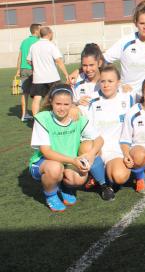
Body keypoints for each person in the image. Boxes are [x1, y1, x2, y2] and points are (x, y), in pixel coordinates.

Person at [28, 84, 103, 212]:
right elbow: (46, 152)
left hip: (68, 161)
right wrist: (74, 161)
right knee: (55, 168)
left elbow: (99, 139)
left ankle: (65, 186)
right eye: (58, 104)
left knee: (79, 178)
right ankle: (51, 195)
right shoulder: (43, 118)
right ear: (51, 101)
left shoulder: (77, 118)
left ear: (72, 104)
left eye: (66, 104)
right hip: (45, 162)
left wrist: (90, 154)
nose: (62, 108)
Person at [82, 65, 135, 200]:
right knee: (86, 147)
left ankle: (101, 173)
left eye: (110, 81)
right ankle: (103, 184)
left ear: (118, 82)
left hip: (117, 150)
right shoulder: (90, 100)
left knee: (120, 176)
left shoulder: (128, 97)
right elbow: (75, 112)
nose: (106, 85)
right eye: (103, 81)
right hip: (97, 148)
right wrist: (75, 103)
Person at [103, 1, 145, 98]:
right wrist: (119, 83)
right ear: (135, 23)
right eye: (141, 23)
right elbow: (103, 60)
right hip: (127, 95)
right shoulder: (126, 41)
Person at [27, 26, 69, 116]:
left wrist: (37, 67)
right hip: (52, 77)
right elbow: (58, 60)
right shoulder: (51, 45)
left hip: (38, 78)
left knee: (37, 99)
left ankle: (36, 120)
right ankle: (57, 116)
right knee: (57, 97)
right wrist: (66, 74)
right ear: (49, 34)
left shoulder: (33, 46)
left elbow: (29, 60)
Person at [16, 23, 41, 121]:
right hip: (33, 69)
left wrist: (18, 70)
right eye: (40, 29)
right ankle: (37, 114)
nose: (41, 31)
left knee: (25, 92)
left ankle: (24, 115)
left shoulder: (24, 41)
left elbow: (20, 56)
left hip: (23, 69)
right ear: (36, 31)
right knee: (39, 92)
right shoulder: (38, 41)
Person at [73, 43, 104, 110]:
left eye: (91, 65)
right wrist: (77, 103)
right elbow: (66, 104)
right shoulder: (76, 81)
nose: (88, 69)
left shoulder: (108, 81)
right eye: (84, 65)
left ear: (100, 63)